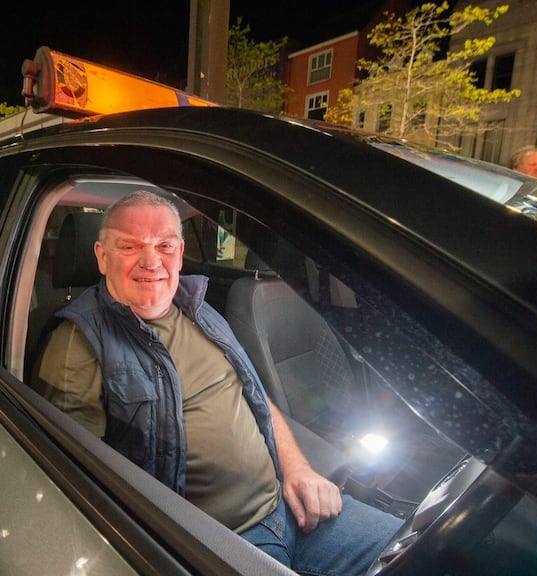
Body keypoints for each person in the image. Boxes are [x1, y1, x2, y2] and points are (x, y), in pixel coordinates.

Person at [37, 190, 402, 575]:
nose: (151, 261)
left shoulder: (198, 309)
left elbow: (256, 396)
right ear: (101, 255)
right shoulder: (76, 345)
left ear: (179, 253)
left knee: (426, 551)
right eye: (130, 246)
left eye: (164, 245)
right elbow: (74, 486)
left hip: (290, 506)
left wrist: (299, 470)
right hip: (217, 544)